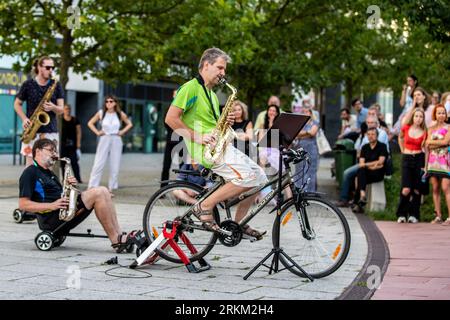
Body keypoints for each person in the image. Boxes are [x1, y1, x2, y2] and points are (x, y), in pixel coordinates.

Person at [165, 47, 268, 239]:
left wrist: (225, 123)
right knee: (247, 176)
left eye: (224, 69)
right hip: (206, 151)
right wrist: (197, 136)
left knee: (260, 176)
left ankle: (239, 224)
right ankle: (204, 206)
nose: (223, 73)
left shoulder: (212, 94)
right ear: (206, 65)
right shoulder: (190, 88)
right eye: (220, 67)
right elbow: (170, 119)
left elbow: (211, 125)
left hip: (220, 146)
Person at [18, 139, 134, 252]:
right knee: (99, 192)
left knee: (104, 191)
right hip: (52, 219)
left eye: (55, 151)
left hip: (63, 212)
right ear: (38, 151)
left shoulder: (49, 173)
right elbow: (23, 204)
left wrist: (71, 187)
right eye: (51, 150)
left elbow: (60, 195)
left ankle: (119, 234)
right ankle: (115, 240)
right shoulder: (30, 172)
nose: (54, 154)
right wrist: (52, 205)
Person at [14, 56, 64, 167]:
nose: (51, 70)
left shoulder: (56, 85)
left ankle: (45, 185)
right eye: (47, 67)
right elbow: (17, 104)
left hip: (50, 131)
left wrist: (53, 107)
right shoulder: (28, 84)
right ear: (39, 67)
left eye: (52, 67)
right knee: (30, 166)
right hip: (32, 130)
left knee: (48, 166)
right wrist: (24, 119)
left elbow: (61, 109)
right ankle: (30, 185)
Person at [87, 95, 133, 196]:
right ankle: (92, 186)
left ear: (115, 103)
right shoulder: (101, 113)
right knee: (98, 162)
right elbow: (90, 123)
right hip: (105, 138)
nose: (108, 103)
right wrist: (97, 132)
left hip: (116, 139)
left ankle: (111, 188)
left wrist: (122, 132)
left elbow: (129, 124)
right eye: (107, 101)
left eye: (111, 101)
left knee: (115, 164)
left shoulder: (119, 114)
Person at [396, 108, 427, 223]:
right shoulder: (406, 127)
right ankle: (401, 213)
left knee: (416, 190)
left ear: (423, 119)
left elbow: (426, 150)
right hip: (407, 158)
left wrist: (426, 166)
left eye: (421, 116)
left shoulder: (424, 131)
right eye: (416, 116)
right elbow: (400, 137)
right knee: (406, 189)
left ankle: (414, 214)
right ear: (413, 117)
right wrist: (402, 150)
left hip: (419, 159)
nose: (418, 118)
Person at [351, 128, 388, 213]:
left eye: (373, 134)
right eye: (369, 134)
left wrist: (367, 165)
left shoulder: (382, 146)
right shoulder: (365, 147)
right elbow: (361, 163)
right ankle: (362, 196)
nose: (370, 136)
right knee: (361, 172)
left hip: (378, 174)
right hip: (367, 173)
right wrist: (374, 164)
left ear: (377, 136)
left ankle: (357, 202)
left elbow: (381, 162)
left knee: (359, 177)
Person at [425, 104, 450, 225]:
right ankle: (438, 216)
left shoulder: (449, 127)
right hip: (432, 161)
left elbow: (446, 141)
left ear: (446, 115)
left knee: (446, 187)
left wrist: (434, 143)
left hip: (445, 161)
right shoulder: (430, 128)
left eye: (443, 112)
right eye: (439, 112)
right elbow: (427, 144)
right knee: (435, 188)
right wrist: (425, 167)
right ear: (435, 114)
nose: (441, 115)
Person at [292, 106, 319, 192]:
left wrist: (302, 134)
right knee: (299, 171)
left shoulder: (315, 122)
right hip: (300, 149)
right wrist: (307, 133)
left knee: (311, 171)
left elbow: (313, 133)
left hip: (312, 150)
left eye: (307, 111)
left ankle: (310, 193)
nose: (305, 113)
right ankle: (299, 191)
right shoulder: (299, 123)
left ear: (311, 113)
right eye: (303, 111)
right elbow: (296, 134)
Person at [160, 89, 184, 188]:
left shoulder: (184, 109)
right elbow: (166, 122)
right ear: (173, 96)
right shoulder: (169, 108)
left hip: (182, 140)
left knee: (183, 167)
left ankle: (183, 188)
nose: (177, 96)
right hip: (170, 140)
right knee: (166, 166)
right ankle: (163, 189)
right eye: (175, 94)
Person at [61, 104, 82, 183]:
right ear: (63, 110)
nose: (67, 110)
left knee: (74, 162)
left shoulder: (75, 120)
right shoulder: (61, 120)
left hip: (72, 145)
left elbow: (79, 132)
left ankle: (78, 179)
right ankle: (64, 179)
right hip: (63, 145)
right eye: (66, 109)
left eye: (69, 109)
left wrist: (78, 144)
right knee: (63, 163)